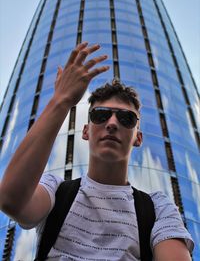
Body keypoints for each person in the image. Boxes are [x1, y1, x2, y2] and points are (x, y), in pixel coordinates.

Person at [0, 42, 194, 260]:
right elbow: (11, 200)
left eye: (126, 118)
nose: (112, 123)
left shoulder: (158, 208)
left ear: (137, 138)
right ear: (86, 131)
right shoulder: (55, 190)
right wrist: (61, 100)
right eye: (100, 115)